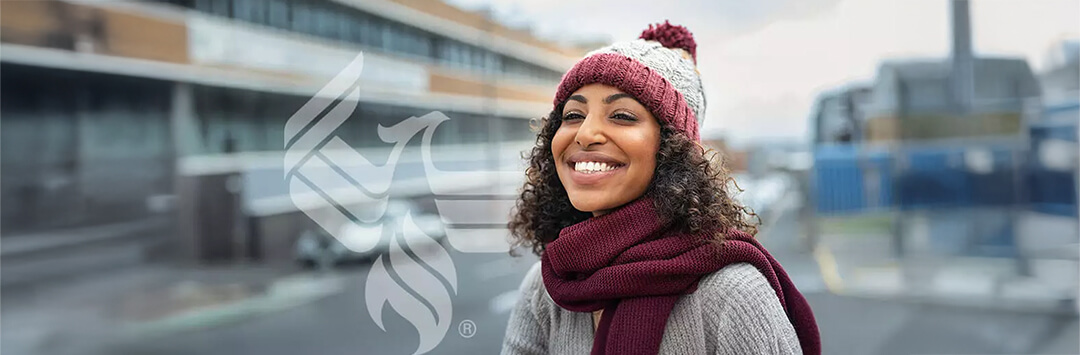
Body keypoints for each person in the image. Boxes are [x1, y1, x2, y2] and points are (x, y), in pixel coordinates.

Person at [500, 21, 820, 355]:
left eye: (621, 115)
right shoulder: (545, 287)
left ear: (672, 148)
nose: (584, 134)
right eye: (573, 115)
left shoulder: (734, 294)